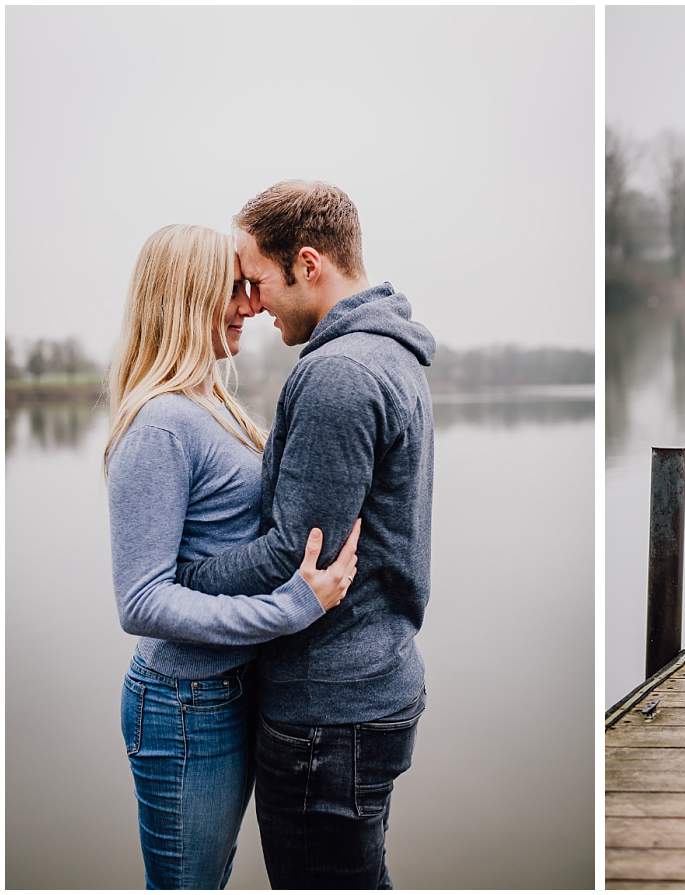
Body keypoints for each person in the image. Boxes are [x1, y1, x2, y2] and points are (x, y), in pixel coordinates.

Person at [174, 181, 437, 888]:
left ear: (309, 264)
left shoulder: (339, 374)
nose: (253, 305)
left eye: (258, 280)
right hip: (368, 684)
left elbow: (296, 554)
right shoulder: (389, 355)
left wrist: (181, 580)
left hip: (328, 710)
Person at [105, 224, 361, 889]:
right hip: (184, 703)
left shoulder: (208, 404)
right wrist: (289, 608)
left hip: (225, 692)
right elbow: (141, 600)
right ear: (190, 298)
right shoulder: (161, 422)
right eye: (237, 289)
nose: (252, 304)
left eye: (252, 289)